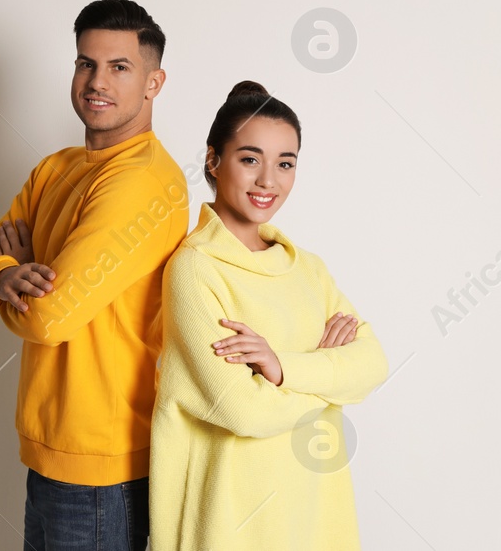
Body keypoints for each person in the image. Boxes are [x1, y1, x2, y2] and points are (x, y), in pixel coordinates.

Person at [0, 0, 188, 550]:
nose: (96, 81)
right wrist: (0, 276)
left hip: (103, 468)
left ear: (154, 82)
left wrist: (20, 276)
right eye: (86, 63)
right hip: (47, 452)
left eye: (119, 67)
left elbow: (49, 317)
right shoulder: (56, 168)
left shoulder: (143, 182)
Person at [150, 80, 389, 549]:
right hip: (230, 520)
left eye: (286, 163)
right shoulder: (195, 270)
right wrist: (331, 385)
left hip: (315, 513)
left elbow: (374, 364)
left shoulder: (308, 269)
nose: (268, 181)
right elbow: (245, 412)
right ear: (214, 160)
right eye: (249, 159)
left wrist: (281, 368)